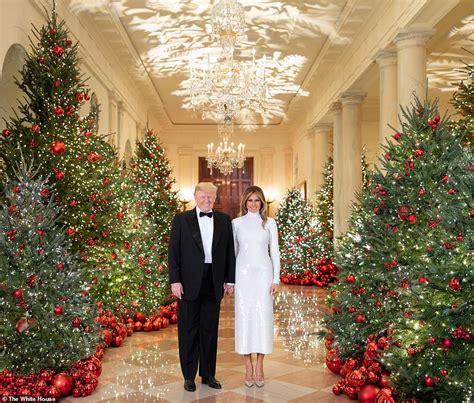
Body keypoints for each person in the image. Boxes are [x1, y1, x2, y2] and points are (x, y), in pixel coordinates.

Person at [168, 182, 236, 392]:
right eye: (203, 196)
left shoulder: (224, 220)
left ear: (215, 199)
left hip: (213, 281)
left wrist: (230, 279)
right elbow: (174, 252)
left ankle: (208, 374)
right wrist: (175, 280)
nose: (206, 200)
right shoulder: (181, 219)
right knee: (188, 330)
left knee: (209, 330)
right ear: (195, 197)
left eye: (210, 197)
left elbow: (229, 252)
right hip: (188, 282)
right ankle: (189, 376)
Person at [232, 186, 280, 387]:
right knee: (244, 319)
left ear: (262, 203)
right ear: (245, 202)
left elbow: (275, 252)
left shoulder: (270, 223)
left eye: (257, 200)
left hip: (263, 276)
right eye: (250, 200)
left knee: (262, 319)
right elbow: (233, 253)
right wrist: (230, 280)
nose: (253, 204)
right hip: (242, 276)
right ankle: (247, 366)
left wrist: (275, 279)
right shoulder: (236, 223)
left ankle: (260, 365)